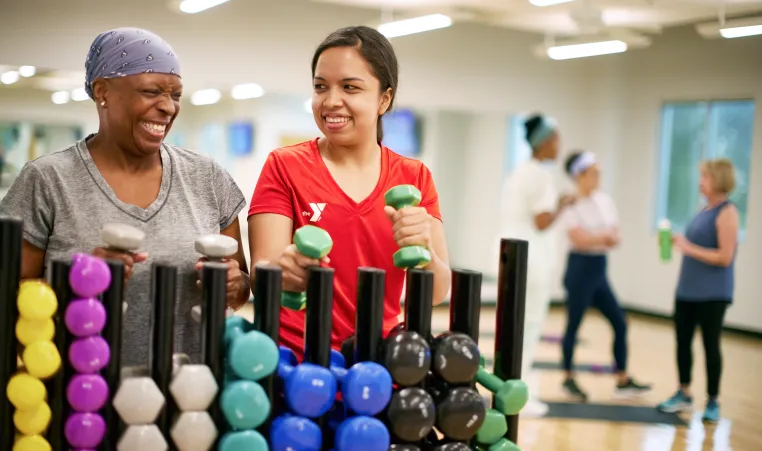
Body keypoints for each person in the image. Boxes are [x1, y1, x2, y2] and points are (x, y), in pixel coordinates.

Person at [0, 28, 250, 367]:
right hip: (81, 396)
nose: (167, 107)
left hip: (192, 396)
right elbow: (10, 301)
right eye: (151, 92)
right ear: (103, 91)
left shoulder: (206, 176)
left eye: (175, 95)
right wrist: (78, 285)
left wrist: (234, 285)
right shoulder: (47, 180)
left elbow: (241, 285)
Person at [247, 26, 451, 358]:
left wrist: (424, 247)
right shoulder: (284, 165)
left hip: (377, 362)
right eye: (320, 87)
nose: (330, 101)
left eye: (350, 88)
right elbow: (262, 275)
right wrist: (286, 270)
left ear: (384, 99)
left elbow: (437, 291)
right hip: (296, 361)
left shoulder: (414, 177)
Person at [558, 151, 652, 401]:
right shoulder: (570, 203)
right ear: (579, 176)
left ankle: (622, 379)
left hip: (599, 270)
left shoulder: (604, 200)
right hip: (579, 269)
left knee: (620, 323)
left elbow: (616, 236)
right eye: (593, 173)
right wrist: (601, 237)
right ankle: (568, 377)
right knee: (574, 325)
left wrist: (596, 237)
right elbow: (578, 239)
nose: (598, 177)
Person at [497, 114, 574, 417]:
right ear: (544, 142)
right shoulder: (541, 175)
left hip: (512, 258)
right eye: (556, 139)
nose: (559, 145)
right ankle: (517, 393)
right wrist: (563, 205)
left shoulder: (518, 172)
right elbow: (542, 221)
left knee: (513, 327)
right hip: (532, 263)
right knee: (527, 328)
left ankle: (508, 384)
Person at [657, 158, 739, 424]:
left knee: (710, 345)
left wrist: (688, 248)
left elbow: (725, 257)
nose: (700, 182)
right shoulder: (704, 209)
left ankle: (713, 400)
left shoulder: (727, 212)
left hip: (713, 294)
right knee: (682, 342)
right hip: (687, 290)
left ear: (718, 180)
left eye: (704, 177)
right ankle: (683, 392)